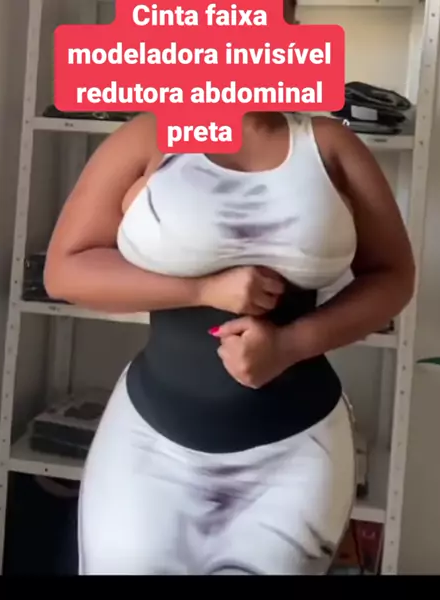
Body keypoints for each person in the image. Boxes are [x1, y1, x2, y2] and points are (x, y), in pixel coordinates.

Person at [44, 110, 415, 575]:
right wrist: (201, 290)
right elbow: (65, 271)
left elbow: (394, 277)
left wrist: (289, 345)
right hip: (148, 442)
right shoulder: (150, 134)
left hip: (295, 451)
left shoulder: (330, 145)